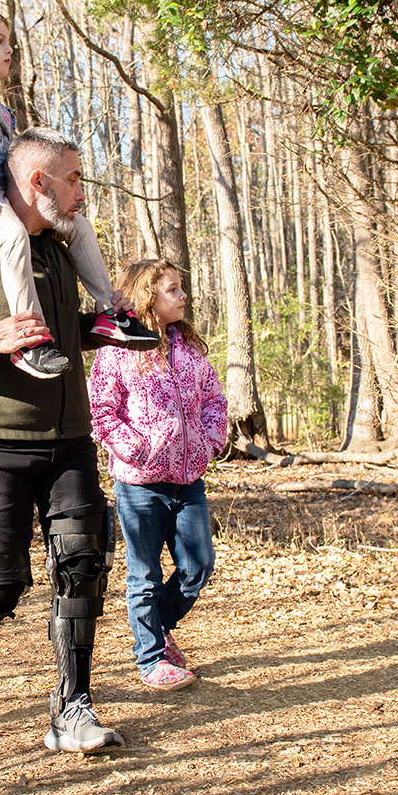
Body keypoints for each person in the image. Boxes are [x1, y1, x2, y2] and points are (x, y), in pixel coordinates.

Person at [0, 127, 149, 755]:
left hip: (70, 438)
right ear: (38, 182)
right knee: (1, 578)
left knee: (82, 565)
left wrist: (102, 330)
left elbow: (61, 328)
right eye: (73, 180)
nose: (81, 196)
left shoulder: (61, 250)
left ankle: (72, 708)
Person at [0, 8, 156, 380]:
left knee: (80, 226)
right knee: (13, 235)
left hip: (0, 196)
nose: (9, 49)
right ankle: (30, 340)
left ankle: (111, 314)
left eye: (9, 42)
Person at [88, 259, 227, 691]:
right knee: (143, 575)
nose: (183, 295)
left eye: (181, 288)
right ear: (149, 297)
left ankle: (158, 629)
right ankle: (150, 660)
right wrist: (140, 450)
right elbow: (102, 413)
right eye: (172, 289)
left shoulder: (190, 348)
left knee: (198, 566)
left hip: (188, 481)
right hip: (139, 484)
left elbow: (214, 402)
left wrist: (208, 443)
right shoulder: (118, 350)